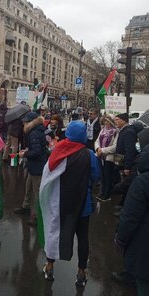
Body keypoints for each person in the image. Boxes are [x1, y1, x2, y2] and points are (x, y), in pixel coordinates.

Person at [39, 121, 100, 286]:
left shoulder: (58, 151)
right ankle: (81, 272)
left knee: (55, 231)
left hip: (61, 204)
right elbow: (95, 177)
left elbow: (49, 176)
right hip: (83, 205)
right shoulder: (90, 155)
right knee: (83, 237)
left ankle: (50, 266)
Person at [114, 142, 149, 295]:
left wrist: (120, 239)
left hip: (143, 245)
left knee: (143, 284)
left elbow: (130, 216)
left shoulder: (143, 181)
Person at [17, 111, 47, 226]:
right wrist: (27, 150)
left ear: (29, 123)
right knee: (28, 186)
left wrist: (25, 154)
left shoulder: (34, 133)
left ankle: (36, 217)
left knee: (37, 192)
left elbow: (36, 152)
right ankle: (26, 206)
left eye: (24, 122)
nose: (23, 125)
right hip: (34, 165)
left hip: (37, 166)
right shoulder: (36, 130)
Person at [95, 115, 118, 201]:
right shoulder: (102, 130)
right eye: (105, 122)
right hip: (100, 156)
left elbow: (115, 147)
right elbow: (97, 141)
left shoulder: (115, 132)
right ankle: (102, 192)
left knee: (108, 176)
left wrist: (103, 150)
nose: (106, 123)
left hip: (109, 158)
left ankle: (107, 194)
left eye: (108, 122)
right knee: (103, 176)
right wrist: (97, 148)